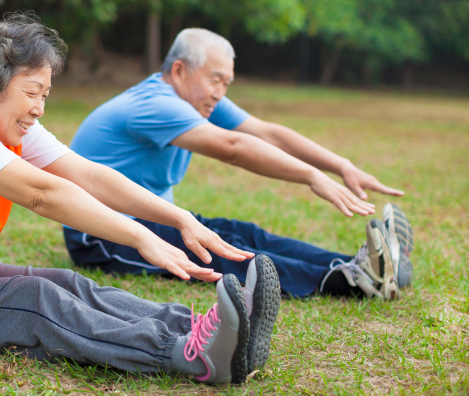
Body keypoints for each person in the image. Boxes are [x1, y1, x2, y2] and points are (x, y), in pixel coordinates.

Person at [0, 15, 282, 385]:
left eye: (45, 95)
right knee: (33, 299)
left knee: (67, 284)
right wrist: (139, 236)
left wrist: (178, 217)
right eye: (31, 92)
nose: (39, 108)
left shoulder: (3, 124)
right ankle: (191, 354)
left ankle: (201, 328)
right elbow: (42, 193)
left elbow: (87, 174)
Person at [65, 28, 415, 300]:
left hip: (152, 217)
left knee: (246, 234)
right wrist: (310, 176)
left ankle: (361, 265)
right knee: (225, 249)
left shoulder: (198, 98)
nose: (220, 91)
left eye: (227, 83)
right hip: (101, 234)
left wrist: (342, 165)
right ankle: (350, 281)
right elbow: (232, 147)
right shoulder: (156, 104)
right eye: (215, 79)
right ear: (179, 70)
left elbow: (267, 133)